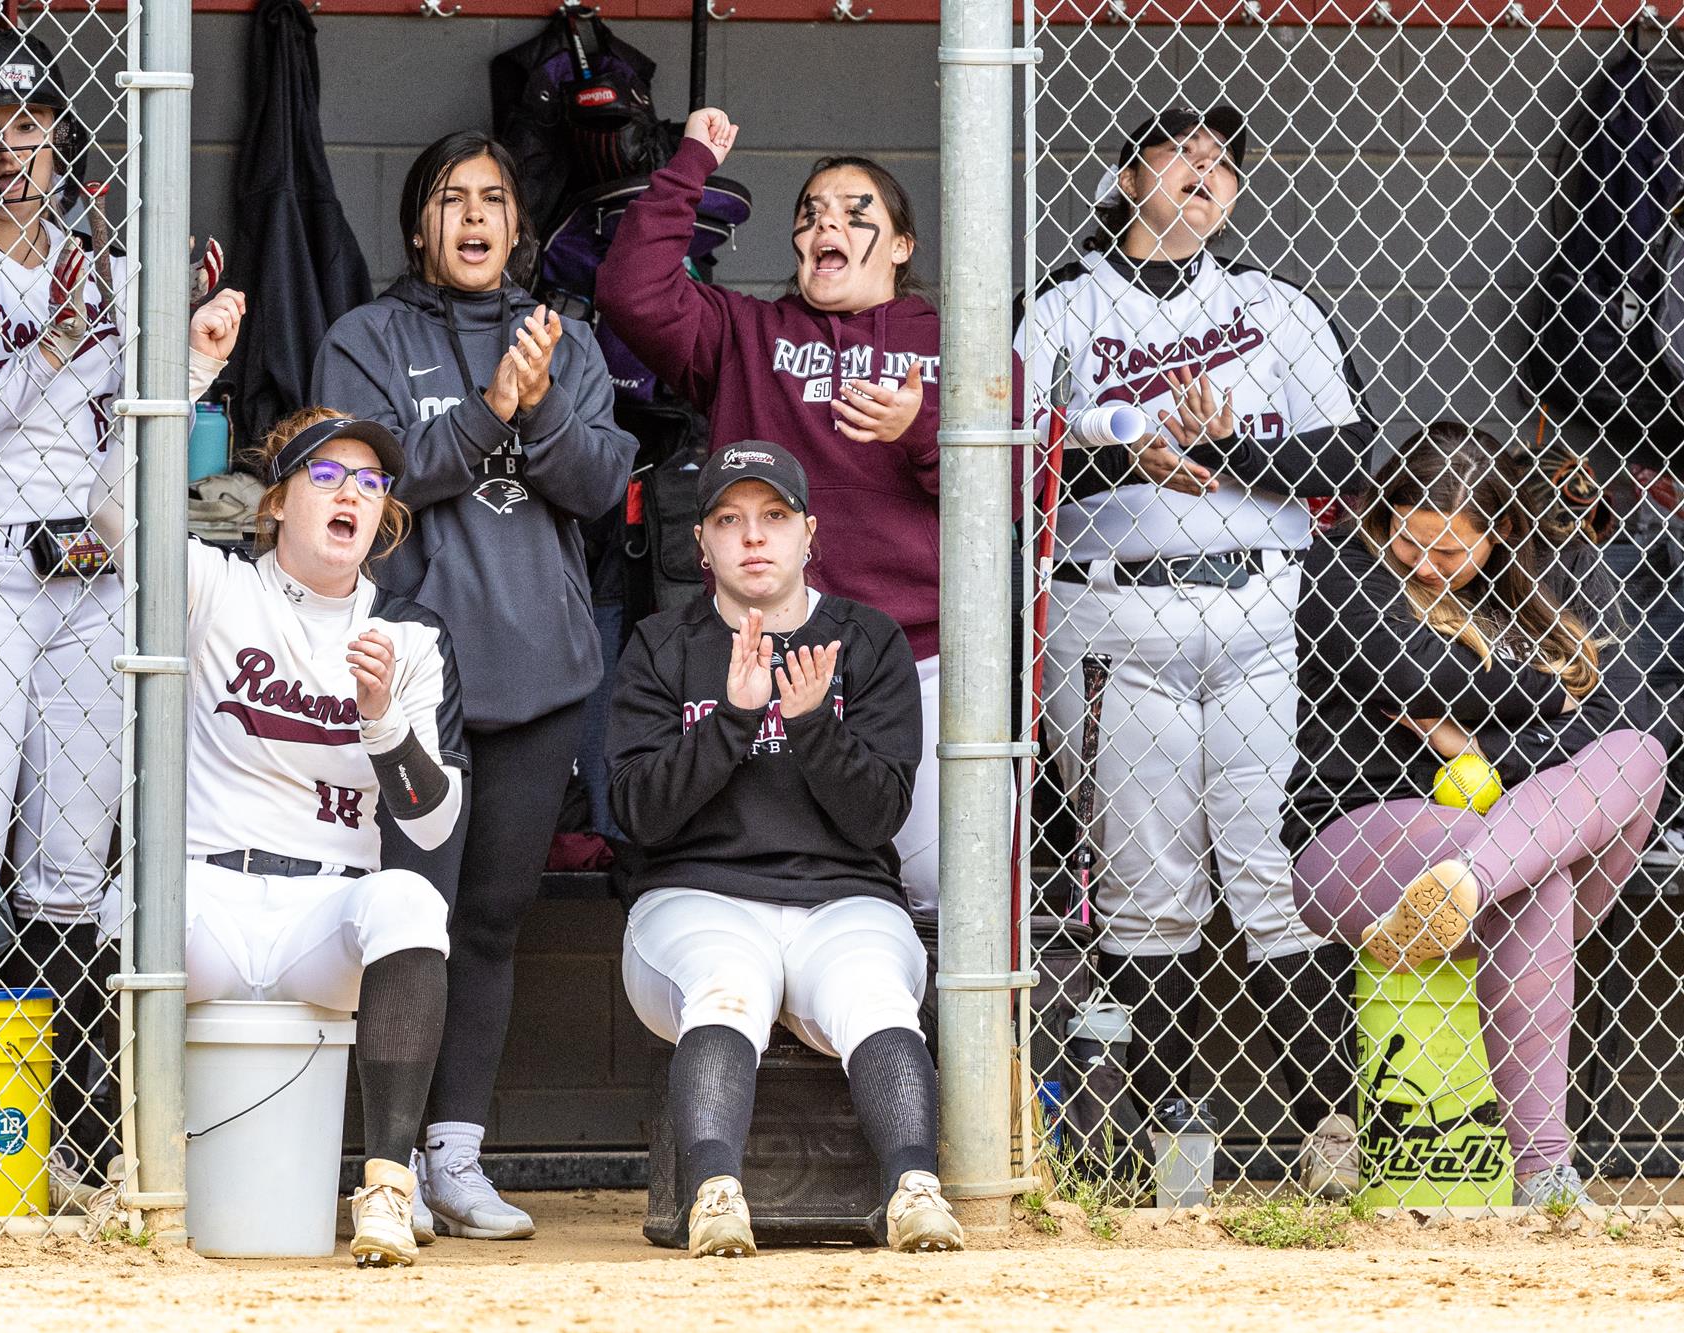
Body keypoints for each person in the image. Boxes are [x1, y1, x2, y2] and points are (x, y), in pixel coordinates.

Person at [1014, 105, 1375, 1195]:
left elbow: (1356, 454)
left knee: (1276, 876)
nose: (1207, 173)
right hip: (1112, 616)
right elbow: (999, 465)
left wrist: (1226, 451)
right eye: (1182, 154)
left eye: (1225, 163)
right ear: (1128, 179)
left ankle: (1329, 1133)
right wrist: (1129, 463)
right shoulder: (1063, 309)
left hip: (1261, 614)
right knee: (1146, 888)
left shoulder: (1272, 307)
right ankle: (1171, 1133)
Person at [310, 130, 636, 1239]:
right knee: (412, 917)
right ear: (417, 224)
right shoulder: (365, 336)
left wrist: (536, 400)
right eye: (450, 198)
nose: (472, 215)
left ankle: (455, 1157)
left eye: (492, 197)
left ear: (517, 223)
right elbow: (362, 477)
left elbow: (597, 483)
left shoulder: (568, 340)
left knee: (494, 919)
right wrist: (487, 410)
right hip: (403, 669)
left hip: (538, 674)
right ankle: (381, 1168)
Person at [90, 399, 465, 1266]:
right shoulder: (217, 584)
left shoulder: (406, 634)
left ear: (384, 515)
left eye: (370, 482)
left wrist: (382, 724)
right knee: (124, 904)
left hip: (322, 915)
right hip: (208, 896)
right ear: (276, 502)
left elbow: (434, 819)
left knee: (412, 899)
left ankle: (383, 1186)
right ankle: (121, 1166)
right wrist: (188, 373)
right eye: (325, 475)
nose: (351, 494)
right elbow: (108, 508)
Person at [1285, 422, 1665, 1208]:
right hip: (1358, 832)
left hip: (1500, 847)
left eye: (1451, 552)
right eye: (1409, 540)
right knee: (1543, 877)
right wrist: (1548, 701)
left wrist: (1469, 736)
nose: (1424, 565)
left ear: (1499, 536)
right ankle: (1546, 1175)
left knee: (1641, 755)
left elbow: (1637, 711)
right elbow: (1403, 668)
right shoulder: (1341, 572)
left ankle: (1467, 884)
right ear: (1384, 519)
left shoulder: (1547, 582)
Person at [597, 107, 961, 919]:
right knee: (769, 882)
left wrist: (922, 432)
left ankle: (916, 1043)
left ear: (902, 246)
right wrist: (690, 164)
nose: (826, 223)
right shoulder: (746, 333)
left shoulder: (952, 343)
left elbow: (1010, 490)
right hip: (766, 651)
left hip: (921, 654)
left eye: (854, 212)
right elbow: (630, 291)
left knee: (937, 888)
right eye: (812, 215)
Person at [608, 441, 964, 1258]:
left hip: (843, 898)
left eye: (773, 517)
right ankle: (715, 1196)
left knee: (875, 991)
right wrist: (731, 721)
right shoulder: (663, 646)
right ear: (702, 545)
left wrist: (810, 726)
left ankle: (915, 1188)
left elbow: (878, 814)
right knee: (727, 987)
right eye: (729, 520)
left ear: (810, 531)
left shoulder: (864, 641)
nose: (753, 537)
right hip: (696, 897)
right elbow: (638, 814)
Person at [0, 25, 127, 1185]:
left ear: (60, 134)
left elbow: (132, 426)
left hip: (90, 575)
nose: (10, 149)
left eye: (27, 124)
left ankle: (75, 1137)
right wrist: (49, 349)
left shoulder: (107, 265)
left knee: (72, 855)